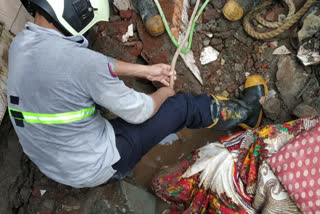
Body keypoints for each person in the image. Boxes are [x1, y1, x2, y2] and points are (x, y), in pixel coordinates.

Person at [7, 0, 268, 188]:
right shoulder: (81, 63)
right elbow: (140, 110)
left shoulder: (22, 43)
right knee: (182, 107)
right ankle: (247, 112)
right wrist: (164, 93)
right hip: (94, 168)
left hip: (53, 162)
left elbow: (92, 65)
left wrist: (146, 72)